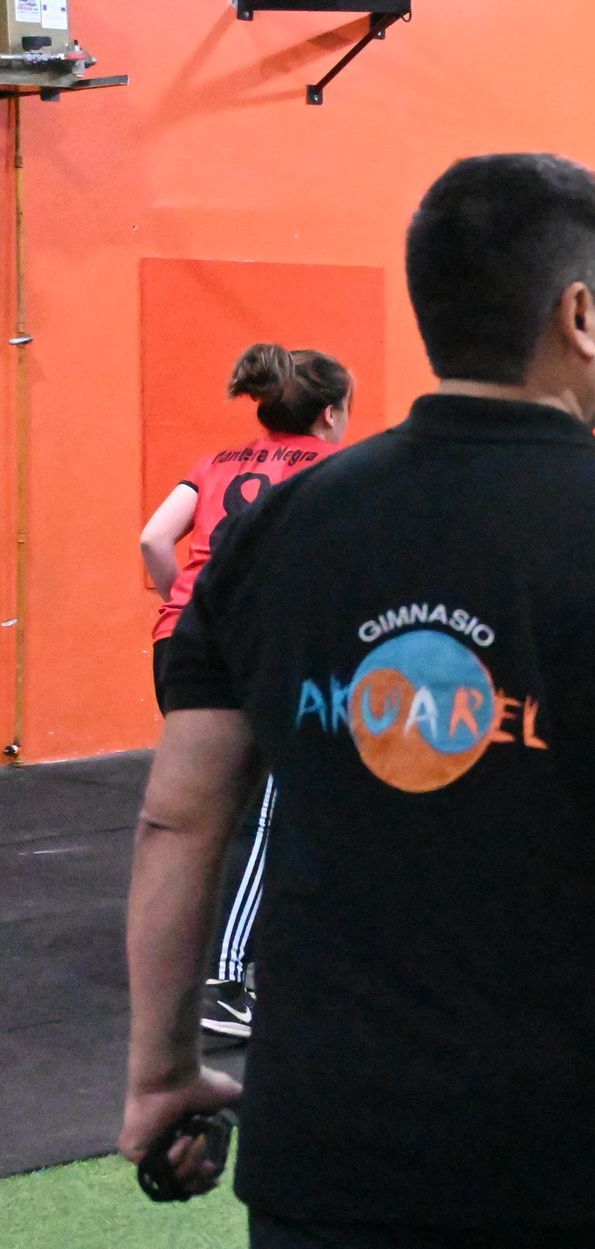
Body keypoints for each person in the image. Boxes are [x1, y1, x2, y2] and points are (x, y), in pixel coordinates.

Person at [119, 153, 595, 1249]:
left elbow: (179, 818)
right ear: (579, 315)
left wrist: (159, 1071)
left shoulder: (271, 532)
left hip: (333, 1160)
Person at [138, 342, 352, 1040]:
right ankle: (228, 985)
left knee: (195, 819)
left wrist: (188, 604)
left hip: (180, 644)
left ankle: (203, 969)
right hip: (256, 650)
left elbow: (153, 539)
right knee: (268, 814)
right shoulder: (331, 468)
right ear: (328, 412)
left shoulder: (216, 463)